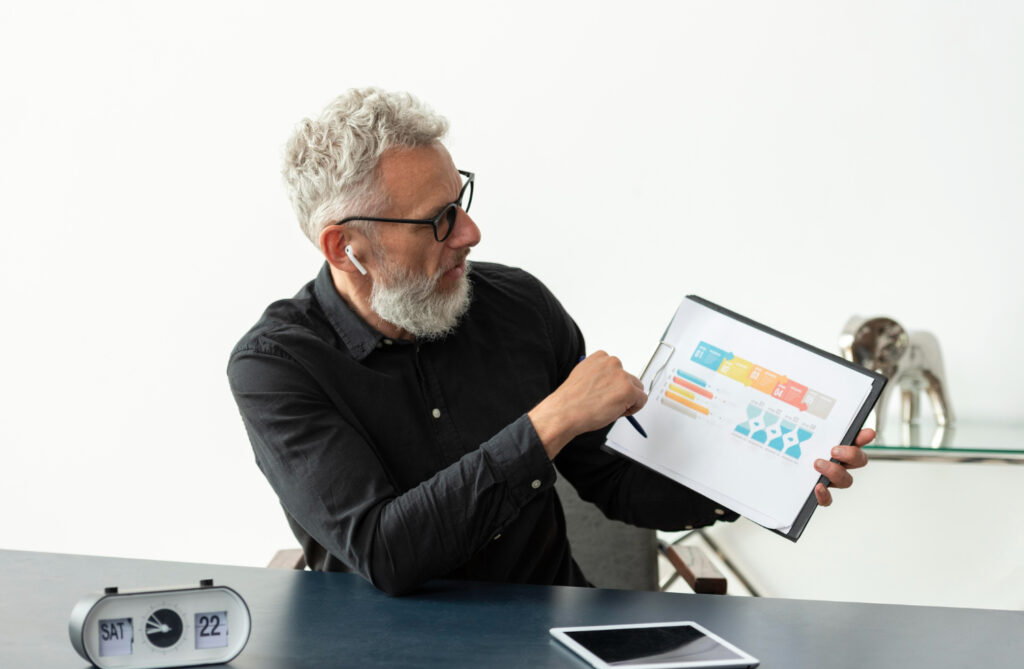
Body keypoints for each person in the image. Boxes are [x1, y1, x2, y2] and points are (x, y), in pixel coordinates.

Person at [227, 87, 872, 596]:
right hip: (385, 658)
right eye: (438, 219)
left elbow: (613, 480)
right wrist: (553, 419)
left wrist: (768, 476)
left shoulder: (517, 307)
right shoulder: (277, 367)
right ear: (346, 247)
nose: (470, 232)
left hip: (551, 637)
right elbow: (387, 552)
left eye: (462, 200)